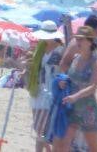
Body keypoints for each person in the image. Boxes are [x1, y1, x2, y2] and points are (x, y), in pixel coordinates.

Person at [54, 26, 97, 152]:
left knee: (93, 147)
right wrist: (62, 82)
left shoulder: (95, 61)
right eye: (77, 39)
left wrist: (75, 96)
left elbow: (93, 87)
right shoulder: (75, 59)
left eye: (81, 39)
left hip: (88, 110)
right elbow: (69, 78)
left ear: (90, 41)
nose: (78, 42)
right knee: (65, 144)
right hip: (72, 109)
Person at [27, 22, 64, 152]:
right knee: (39, 127)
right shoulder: (41, 47)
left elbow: (58, 71)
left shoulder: (59, 50)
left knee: (42, 129)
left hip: (51, 91)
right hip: (38, 89)